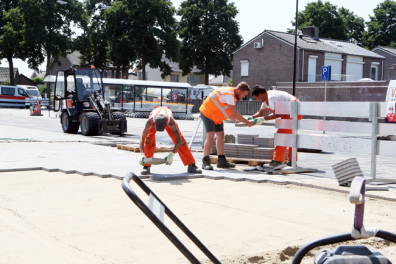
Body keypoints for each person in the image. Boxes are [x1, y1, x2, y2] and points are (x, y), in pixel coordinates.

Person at [199, 82, 254, 170]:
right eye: (244, 94)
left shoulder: (232, 95)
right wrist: (247, 122)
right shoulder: (229, 95)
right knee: (211, 136)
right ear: (239, 90)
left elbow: (229, 112)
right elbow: (235, 113)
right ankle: (205, 161)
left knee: (220, 135)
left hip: (216, 115)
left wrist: (237, 121)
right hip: (207, 113)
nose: (244, 96)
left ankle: (221, 160)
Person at [139, 106, 202, 175]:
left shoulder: (171, 123)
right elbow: (142, 138)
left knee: (182, 142)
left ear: (166, 124)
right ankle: (146, 166)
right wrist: (141, 154)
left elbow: (179, 140)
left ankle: (191, 165)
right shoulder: (150, 122)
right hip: (156, 119)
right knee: (148, 140)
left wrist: (172, 154)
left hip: (166, 120)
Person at [250, 85, 303, 167]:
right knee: (290, 137)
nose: (256, 99)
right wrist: (250, 118)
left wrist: (263, 119)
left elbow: (277, 113)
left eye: (256, 97)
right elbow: (260, 113)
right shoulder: (266, 99)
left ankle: (278, 161)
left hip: (293, 110)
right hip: (293, 110)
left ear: (260, 94)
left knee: (282, 136)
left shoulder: (271, 98)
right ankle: (292, 161)